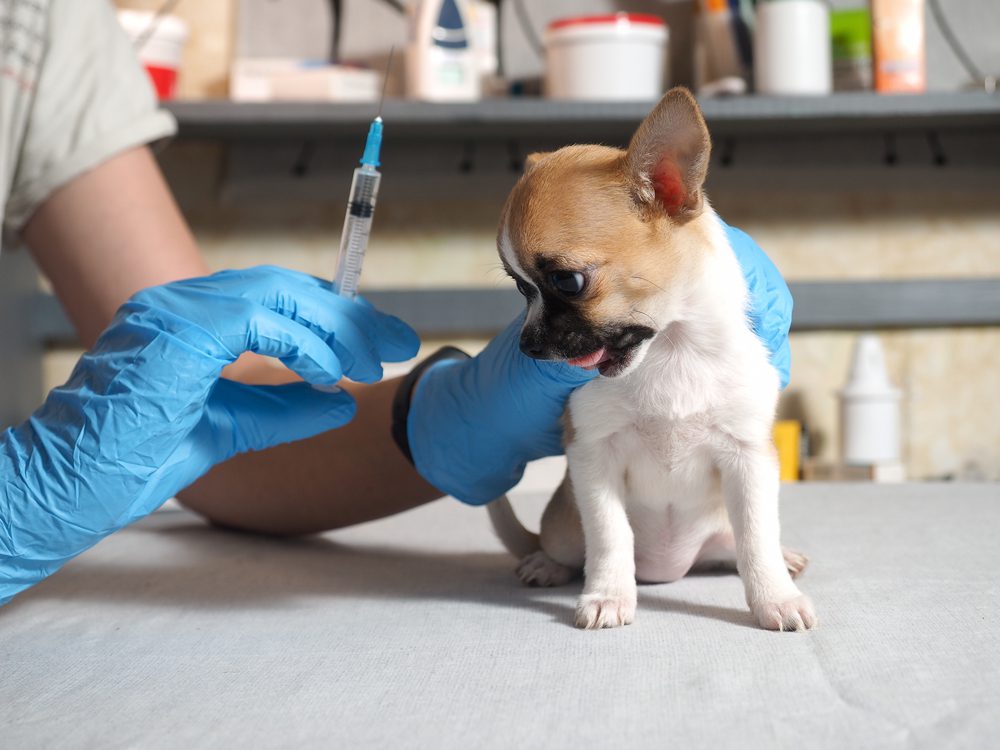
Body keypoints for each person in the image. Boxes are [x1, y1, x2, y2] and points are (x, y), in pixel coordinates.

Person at [0, 0, 792, 606]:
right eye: (532, 288)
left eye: (565, 283)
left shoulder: (49, 24)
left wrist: (433, 420)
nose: (534, 328)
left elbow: (214, 437)